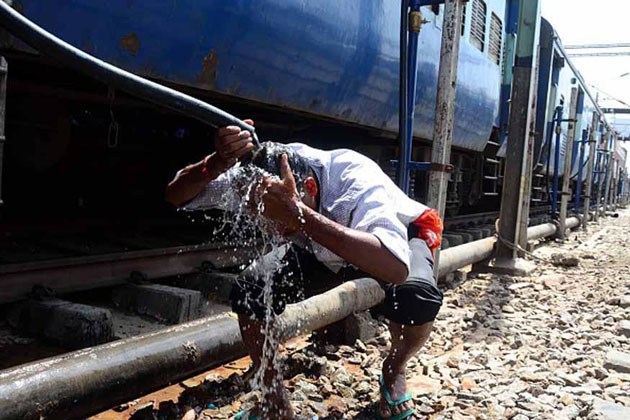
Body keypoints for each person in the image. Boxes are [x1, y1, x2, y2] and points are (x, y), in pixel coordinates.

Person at [165, 121, 444, 420]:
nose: (274, 229)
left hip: (385, 244)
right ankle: (275, 400)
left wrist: (299, 217)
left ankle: (395, 367)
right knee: (249, 290)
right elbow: (175, 194)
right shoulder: (260, 182)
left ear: (308, 189)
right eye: (267, 218)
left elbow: (396, 268)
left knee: (418, 296)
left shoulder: (355, 179)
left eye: (279, 220)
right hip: (318, 244)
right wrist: (215, 163)